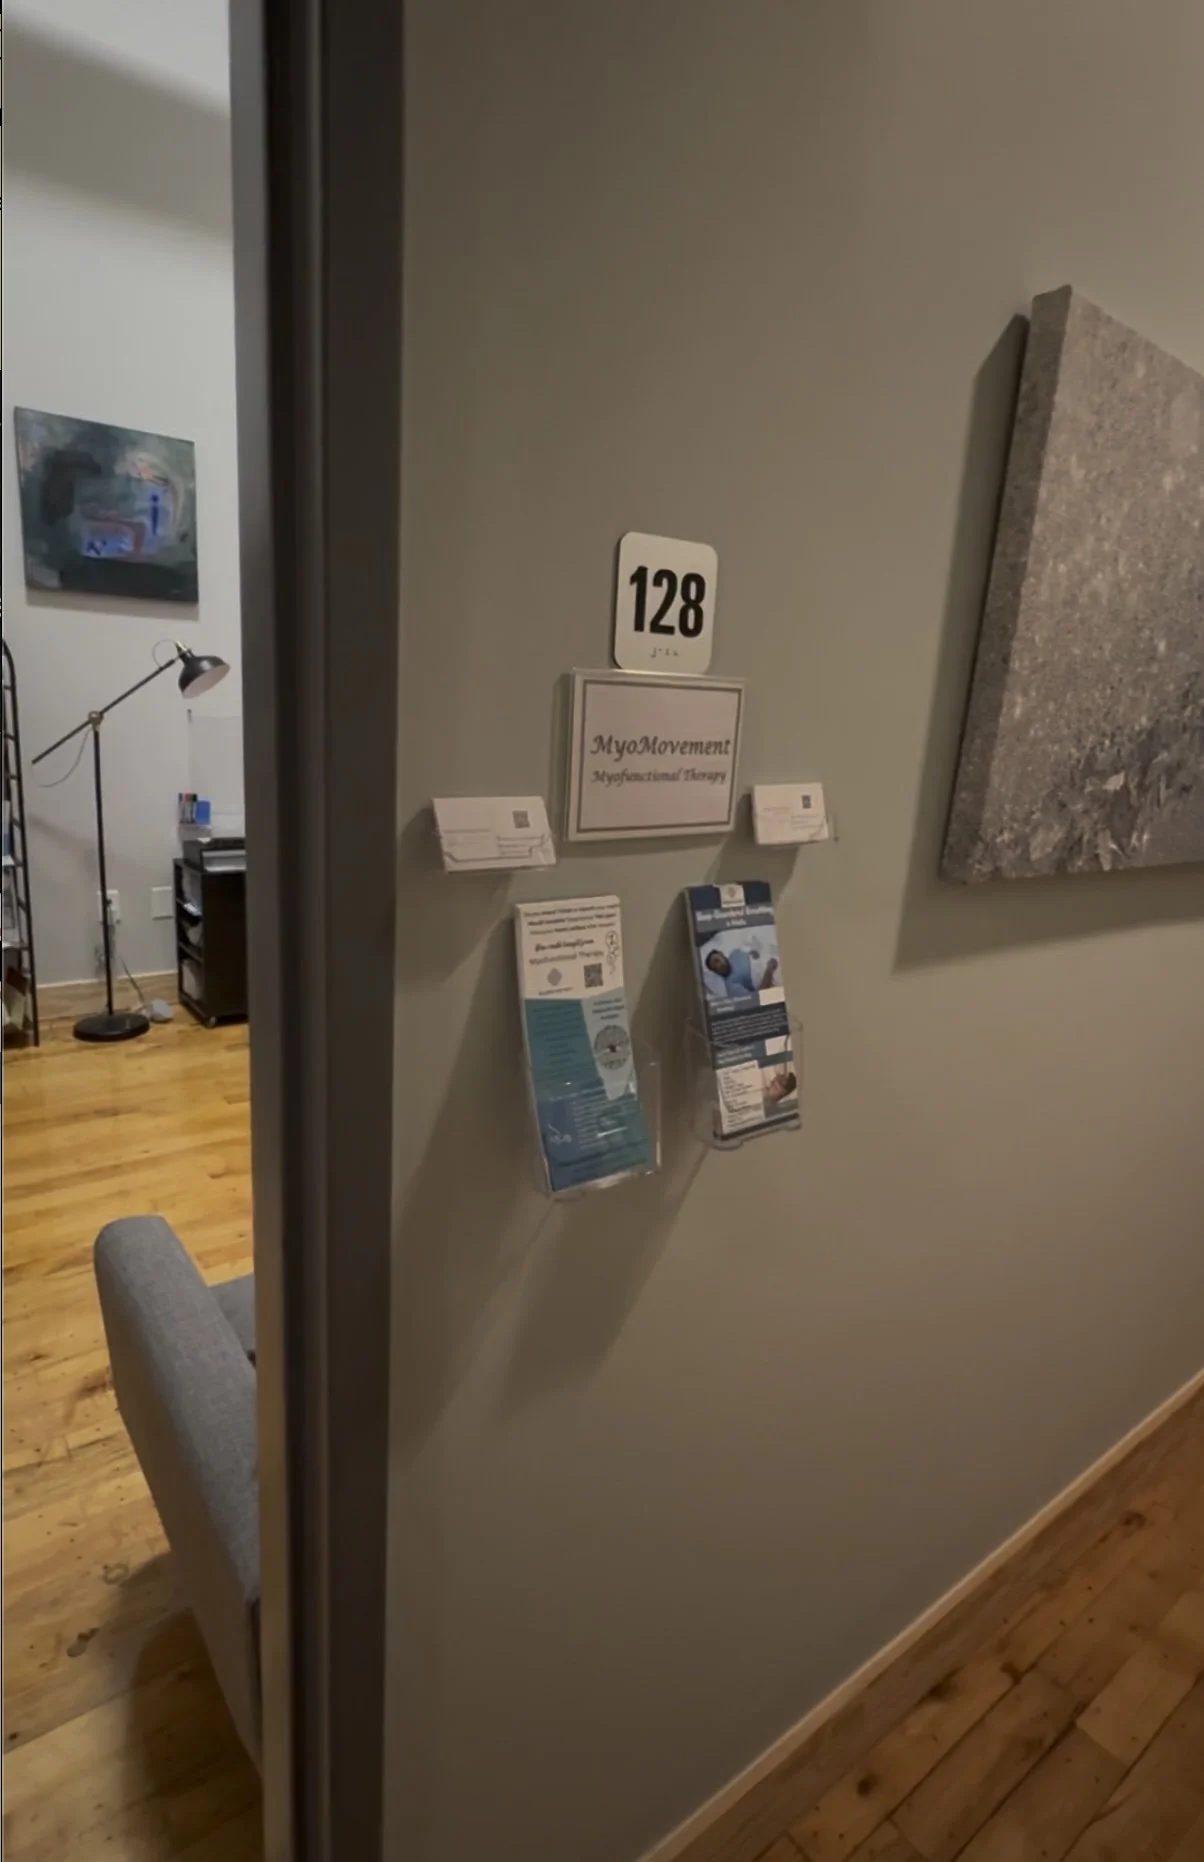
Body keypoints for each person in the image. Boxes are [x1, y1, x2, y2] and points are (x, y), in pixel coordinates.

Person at [703, 943, 779, 999]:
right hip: (771, 978)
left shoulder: (735, 953)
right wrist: (769, 971)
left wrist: (754, 953)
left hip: (770, 959)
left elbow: (752, 951)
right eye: (715, 969)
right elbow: (757, 999)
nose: (718, 966)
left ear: (721, 954)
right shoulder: (732, 987)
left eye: (717, 961)